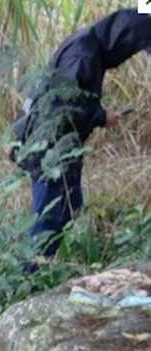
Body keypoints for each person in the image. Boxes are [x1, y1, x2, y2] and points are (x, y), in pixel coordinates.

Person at [12, 8, 151, 258]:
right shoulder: (85, 55)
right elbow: (64, 108)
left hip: (57, 145)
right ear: (121, 42)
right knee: (49, 218)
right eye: (131, 50)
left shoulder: (89, 44)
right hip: (50, 149)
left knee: (70, 204)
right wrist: (101, 116)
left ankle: (41, 268)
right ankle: (29, 280)